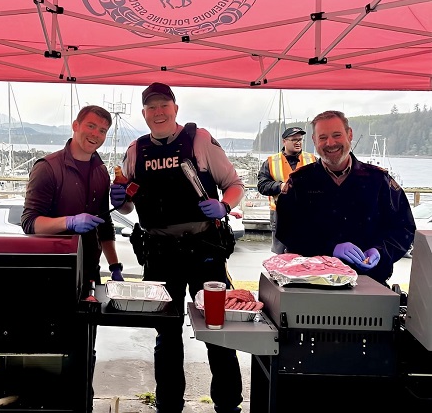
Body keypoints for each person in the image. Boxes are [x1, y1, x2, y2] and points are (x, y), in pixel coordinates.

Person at [114, 82, 244, 413]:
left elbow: (234, 184)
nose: (158, 112)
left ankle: (228, 405)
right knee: (166, 336)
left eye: (163, 105)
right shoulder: (135, 150)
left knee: (218, 330)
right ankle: (168, 405)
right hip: (159, 254)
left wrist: (225, 207)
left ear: (175, 108)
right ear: (144, 114)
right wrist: (120, 201)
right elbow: (128, 204)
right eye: (151, 107)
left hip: (204, 249)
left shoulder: (198, 139)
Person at [21, 105, 122, 413]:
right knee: (50, 350)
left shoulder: (101, 171)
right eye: (91, 127)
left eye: (103, 131)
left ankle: (83, 407)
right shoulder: (48, 167)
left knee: (84, 350)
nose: (95, 135)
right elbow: (30, 223)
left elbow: (104, 223)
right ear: (75, 125)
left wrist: (115, 265)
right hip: (50, 276)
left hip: (88, 274)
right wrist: (69, 222)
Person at [276, 110, 415, 286]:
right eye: (323, 137)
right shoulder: (300, 181)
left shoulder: (378, 180)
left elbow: (404, 228)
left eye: (336, 135)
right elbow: (286, 231)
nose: (330, 143)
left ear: (349, 135)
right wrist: (329, 248)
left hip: (370, 282)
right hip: (311, 284)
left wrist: (382, 251)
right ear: (314, 141)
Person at [257, 126, 316, 253]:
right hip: (280, 213)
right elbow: (262, 185)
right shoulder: (271, 162)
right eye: (294, 139)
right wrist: (280, 186)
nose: (298, 142)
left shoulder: (312, 159)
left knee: (306, 251)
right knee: (280, 253)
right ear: (284, 141)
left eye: (300, 139)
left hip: (307, 213)